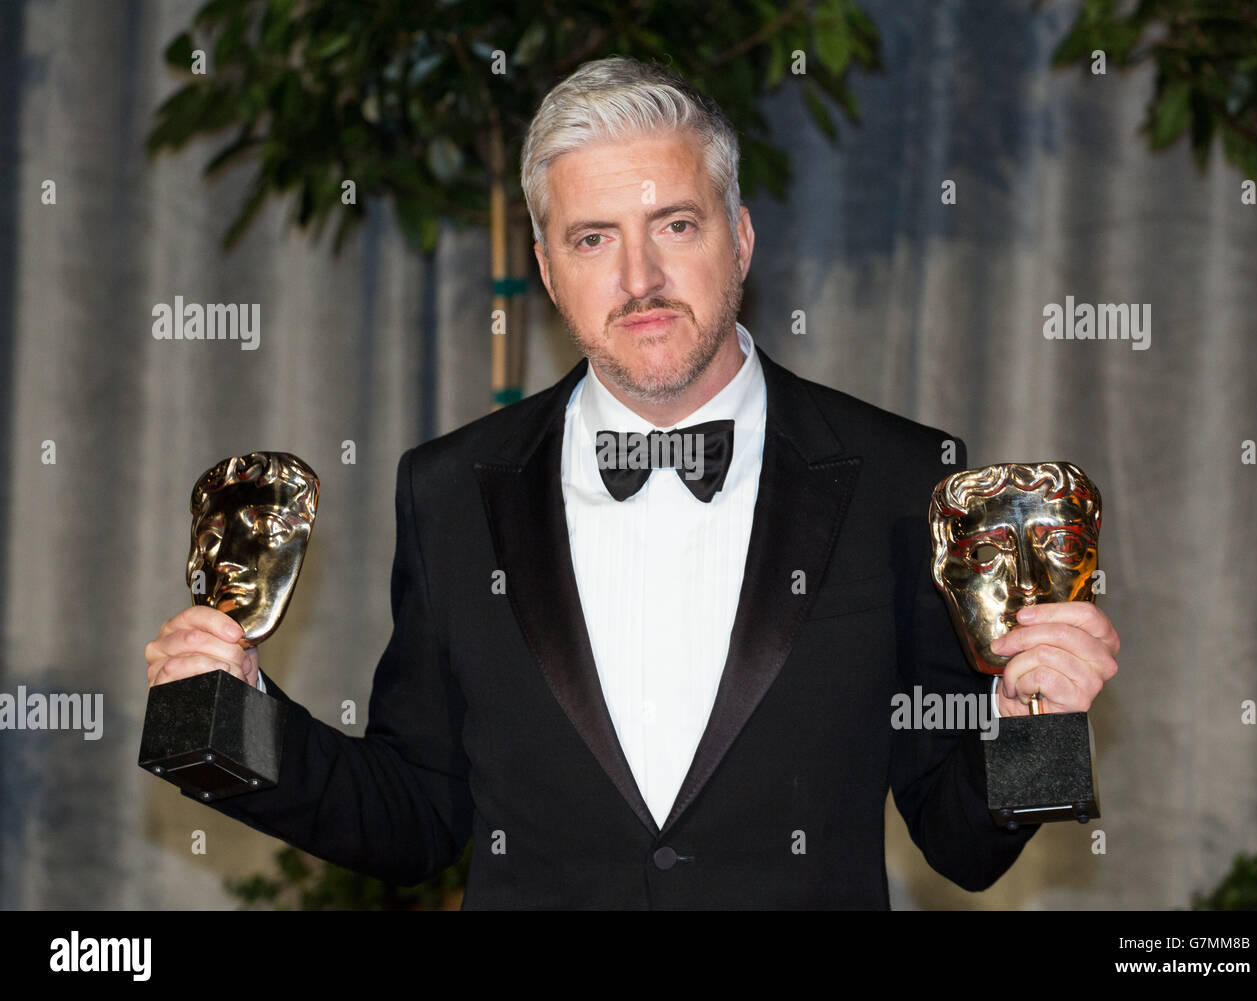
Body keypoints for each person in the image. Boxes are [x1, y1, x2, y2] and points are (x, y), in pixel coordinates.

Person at [144, 57, 1119, 908]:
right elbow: (417, 816)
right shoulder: (448, 489)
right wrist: (235, 718)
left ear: (739, 238)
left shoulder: (903, 477)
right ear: (547, 270)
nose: (640, 277)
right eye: (593, 238)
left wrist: (1031, 719)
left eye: (675, 224)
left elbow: (957, 840)